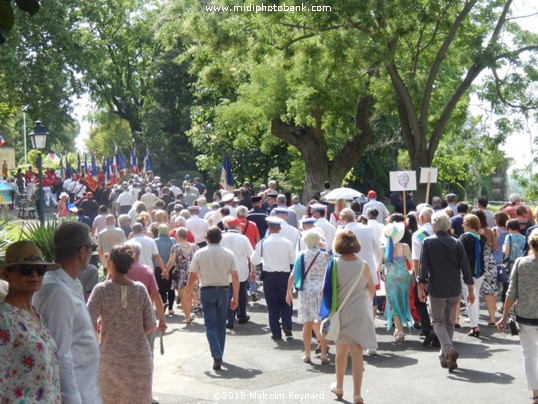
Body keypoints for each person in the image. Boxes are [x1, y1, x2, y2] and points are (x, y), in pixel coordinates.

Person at [33, 221, 103, 403]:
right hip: (77, 393)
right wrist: (72, 399)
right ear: (82, 252)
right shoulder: (57, 291)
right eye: (92, 247)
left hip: (87, 387)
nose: (92, 252)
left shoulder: (70, 283)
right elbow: (60, 353)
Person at [87, 244, 156, 404]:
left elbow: (87, 320)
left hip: (110, 360)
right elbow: (150, 325)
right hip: (139, 359)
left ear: (110, 263)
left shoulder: (101, 290)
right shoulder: (140, 290)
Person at [0, 241, 62, 403]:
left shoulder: (35, 314)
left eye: (40, 270)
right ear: (7, 274)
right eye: (26, 270)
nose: (34, 275)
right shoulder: (4, 319)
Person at [320, 230, 376, 404]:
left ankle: (339, 387)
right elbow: (372, 290)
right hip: (360, 311)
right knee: (358, 352)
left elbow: (325, 290)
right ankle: (357, 394)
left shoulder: (334, 263)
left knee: (341, 351)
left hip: (340, 312)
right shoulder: (364, 264)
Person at [418, 212, 475, 372]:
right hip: (454, 288)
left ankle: (448, 350)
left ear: (434, 226)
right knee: (449, 322)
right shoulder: (457, 243)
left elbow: (424, 267)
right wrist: (470, 290)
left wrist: (421, 287)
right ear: (448, 226)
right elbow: (466, 268)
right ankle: (445, 357)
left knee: (437, 321)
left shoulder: (428, 242)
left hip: (437, 289)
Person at [187, 226, 239, 371]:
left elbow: (192, 275)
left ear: (206, 238)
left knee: (210, 324)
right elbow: (235, 276)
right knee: (221, 324)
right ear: (220, 238)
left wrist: (190, 292)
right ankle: (219, 353)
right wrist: (236, 296)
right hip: (223, 289)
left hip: (207, 290)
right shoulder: (228, 253)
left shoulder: (200, 253)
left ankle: (216, 354)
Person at [497, 228, 538, 404]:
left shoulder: (521, 263)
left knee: (529, 355)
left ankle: (536, 395)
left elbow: (511, 292)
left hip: (525, 317)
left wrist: (504, 316)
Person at [286, 229, 330, 364]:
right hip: (320, 290)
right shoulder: (325, 256)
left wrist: (288, 291)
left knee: (307, 323)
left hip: (305, 290)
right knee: (321, 322)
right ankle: (323, 354)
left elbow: (293, 275)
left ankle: (307, 354)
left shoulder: (301, 255)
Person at [251, 217, 296, 340]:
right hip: (285, 276)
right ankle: (287, 325)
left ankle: (276, 333)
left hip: (269, 276)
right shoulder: (287, 242)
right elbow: (293, 260)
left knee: (272, 304)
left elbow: (254, 259)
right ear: (280, 229)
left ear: (269, 229)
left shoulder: (263, 243)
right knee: (286, 301)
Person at [381, 222, 413, 343]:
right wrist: (411, 274)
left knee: (392, 303)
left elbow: (379, 265)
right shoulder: (405, 246)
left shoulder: (383, 248)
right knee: (402, 301)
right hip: (404, 277)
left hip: (391, 278)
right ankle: (399, 328)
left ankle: (400, 331)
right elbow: (412, 262)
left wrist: (382, 272)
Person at [221, 216, 254, 328]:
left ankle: (229, 319)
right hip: (241, 269)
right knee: (241, 292)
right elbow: (251, 255)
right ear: (238, 226)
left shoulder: (221, 237)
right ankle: (242, 315)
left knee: (228, 293)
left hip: (225, 269)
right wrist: (253, 270)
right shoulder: (243, 238)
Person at [459, 214, 486, 338]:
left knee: (470, 298)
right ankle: (475, 322)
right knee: (476, 297)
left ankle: (474, 325)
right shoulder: (481, 237)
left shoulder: (464, 238)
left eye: (464, 222)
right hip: (480, 271)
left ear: (469, 224)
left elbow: (460, 255)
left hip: (467, 272)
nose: (462, 225)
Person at [166, 227, 199, 324]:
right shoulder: (195, 246)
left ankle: (187, 316)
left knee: (183, 296)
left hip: (180, 273)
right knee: (190, 295)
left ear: (179, 236)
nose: (175, 236)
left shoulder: (175, 247)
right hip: (193, 272)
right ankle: (188, 315)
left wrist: (166, 271)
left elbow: (171, 261)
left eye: (176, 235)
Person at [154, 224, 176, 316]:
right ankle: (171, 308)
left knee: (160, 288)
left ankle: (163, 302)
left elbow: (154, 255)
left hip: (158, 267)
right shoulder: (173, 240)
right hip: (171, 267)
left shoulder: (155, 241)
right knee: (171, 288)